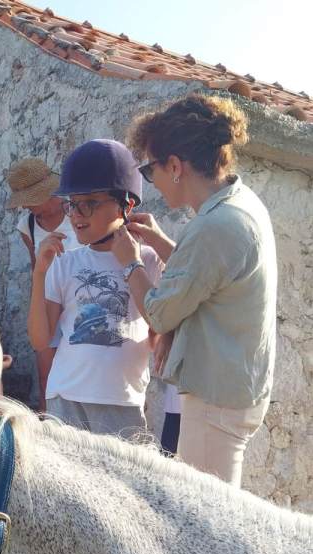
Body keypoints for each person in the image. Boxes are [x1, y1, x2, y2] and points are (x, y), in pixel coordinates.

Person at [111, 93, 277, 486]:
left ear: (175, 166)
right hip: (235, 390)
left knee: (208, 529)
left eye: (151, 171)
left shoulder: (212, 227)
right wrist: (161, 242)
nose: (152, 182)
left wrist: (130, 261)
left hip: (215, 402)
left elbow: (160, 313)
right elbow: (208, 276)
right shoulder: (239, 202)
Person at [27, 139, 164, 440]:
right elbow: (40, 340)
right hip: (65, 399)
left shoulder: (150, 261)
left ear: (125, 205)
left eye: (89, 204)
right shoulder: (64, 263)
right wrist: (39, 274)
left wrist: (141, 258)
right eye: (72, 204)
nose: (76, 215)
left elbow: (158, 335)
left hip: (121, 402)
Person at [6, 157, 78, 413]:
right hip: (49, 305)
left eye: (30, 198)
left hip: (80, 305)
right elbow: (38, 269)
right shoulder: (26, 226)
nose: (26, 205)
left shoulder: (77, 210)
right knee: (46, 379)